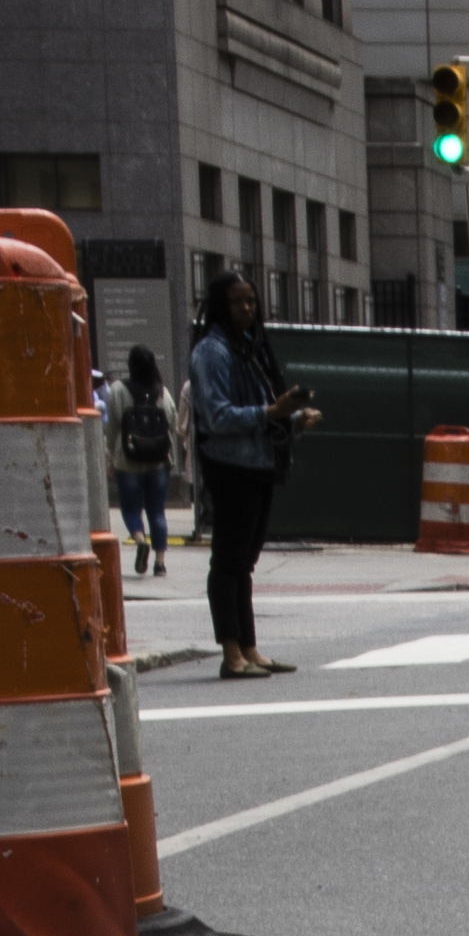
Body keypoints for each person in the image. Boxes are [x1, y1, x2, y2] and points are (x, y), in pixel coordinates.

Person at [183, 267, 314, 674]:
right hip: (230, 467)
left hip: (257, 464)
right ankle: (231, 654)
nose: (246, 308)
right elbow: (217, 417)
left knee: (244, 563)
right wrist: (272, 411)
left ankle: (249, 648)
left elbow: (261, 413)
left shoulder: (249, 348)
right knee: (228, 561)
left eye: (251, 301)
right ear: (221, 305)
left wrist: (293, 418)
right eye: (237, 301)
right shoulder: (212, 351)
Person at [112, 345, 178, 577]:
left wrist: (109, 455)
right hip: (158, 462)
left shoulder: (118, 390)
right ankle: (160, 563)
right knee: (157, 511)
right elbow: (172, 420)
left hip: (128, 460)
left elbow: (112, 427)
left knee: (131, 509)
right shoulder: (162, 391)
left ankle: (140, 540)